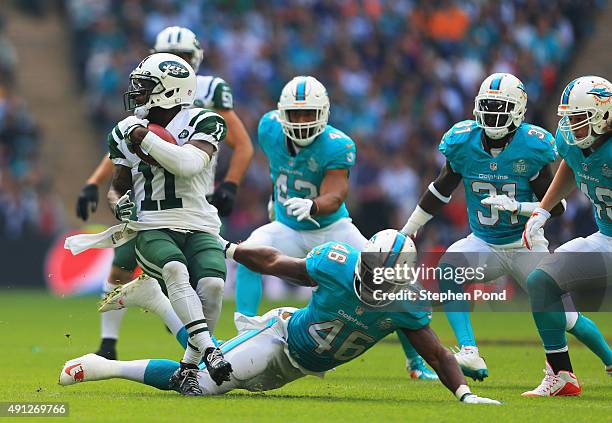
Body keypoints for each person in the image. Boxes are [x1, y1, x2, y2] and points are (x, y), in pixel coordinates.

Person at [60, 230, 499, 404]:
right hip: (280, 338)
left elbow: (440, 354)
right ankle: (106, 364)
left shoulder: (408, 304)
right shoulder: (338, 263)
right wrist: (228, 247)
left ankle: (153, 299)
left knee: (205, 375)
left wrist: (464, 396)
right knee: (199, 384)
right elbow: (274, 262)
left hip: (300, 368)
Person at [399, 73, 608, 381]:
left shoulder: (532, 145)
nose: (493, 114)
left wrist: (520, 208)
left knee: (566, 318)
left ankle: (609, 358)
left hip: (525, 246)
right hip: (485, 243)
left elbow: (558, 206)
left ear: (519, 110)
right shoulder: (464, 141)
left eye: (501, 107)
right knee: (449, 269)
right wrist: (409, 228)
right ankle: (469, 351)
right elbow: (440, 189)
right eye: (488, 106)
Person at [234, 75, 436, 379]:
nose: (301, 122)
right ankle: (244, 333)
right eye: (295, 114)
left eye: (309, 114)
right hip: (287, 226)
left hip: (331, 228)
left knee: (391, 282)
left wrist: (313, 204)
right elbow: (280, 168)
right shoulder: (268, 128)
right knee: (248, 253)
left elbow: (337, 192)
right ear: (281, 114)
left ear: (324, 114)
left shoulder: (337, 145)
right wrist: (276, 200)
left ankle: (415, 363)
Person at [75, 26, 253, 361]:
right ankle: (111, 344)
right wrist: (96, 185)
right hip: (149, 210)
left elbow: (237, 146)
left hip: (194, 199)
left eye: (183, 57)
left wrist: (231, 184)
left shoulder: (207, 101)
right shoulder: (135, 120)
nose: (176, 61)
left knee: (206, 282)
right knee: (130, 271)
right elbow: (120, 159)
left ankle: (194, 353)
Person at [104, 52, 233, 395]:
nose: (137, 94)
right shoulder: (126, 129)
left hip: (199, 223)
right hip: (154, 224)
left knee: (213, 289)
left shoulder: (206, 121)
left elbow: (188, 164)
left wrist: (143, 137)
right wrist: (120, 206)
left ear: (170, 90)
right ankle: (212, 351)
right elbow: (116, 188)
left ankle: (189, 367)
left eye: (146, 87)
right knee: (175, 270)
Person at [522, 75, 612, 397]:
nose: (571, 127)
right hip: (606, 238)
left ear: (603, 116)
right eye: (569, 119)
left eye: (579, 119)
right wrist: (543, 210)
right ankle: (562, 374)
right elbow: (571, 163)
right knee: (541, 281)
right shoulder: (572, 140)